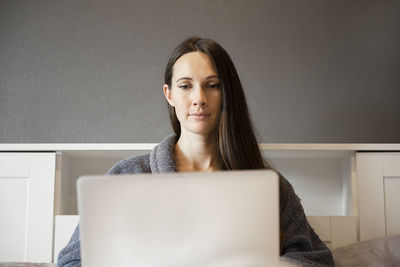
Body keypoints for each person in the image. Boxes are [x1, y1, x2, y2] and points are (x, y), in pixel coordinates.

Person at [58, 37, 335, 267]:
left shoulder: (270, 187)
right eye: (185, 86)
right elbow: (71, 262)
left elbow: (317, 260)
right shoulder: (125, 177)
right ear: (169, 94)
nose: (199, 98)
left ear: (227, 93)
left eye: (212, 85)